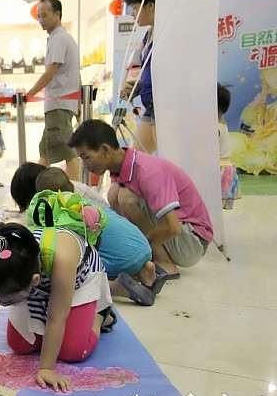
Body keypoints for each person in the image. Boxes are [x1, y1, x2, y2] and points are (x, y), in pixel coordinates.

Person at [0, 222, 113, 395]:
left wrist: (46, 368)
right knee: (20, 345)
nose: (0, 304)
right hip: (31, 281)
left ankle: (100, 315)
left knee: (72, 351)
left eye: (7, 302)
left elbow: (56, 318)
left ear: (34, 282)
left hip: (76, 280)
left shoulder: (62, 259)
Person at [68, 119, 214, 280]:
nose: (84, 165)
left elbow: (173, 227)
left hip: (193, 241)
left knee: (127, 199)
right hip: (179, 237)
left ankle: (164, 262)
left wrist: (139, 248)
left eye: (86, 157)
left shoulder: (147, 171)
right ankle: (149, 256)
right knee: (114, 193)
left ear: (105, 150)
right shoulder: (120, 169)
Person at [34, 167, 166, 305]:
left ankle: (114, 287)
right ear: (72, 187)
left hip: (122, 262)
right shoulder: (92, 204)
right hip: (144, 249)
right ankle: (145, 270)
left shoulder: (66, 220)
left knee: (70, 270)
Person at [24, 0, 81, 180]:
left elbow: (49, 74)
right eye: (39, 16)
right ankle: (34, 187)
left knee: (67, 150)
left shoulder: (58, 39)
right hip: (62, 104)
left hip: (59, 104)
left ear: (57, 14)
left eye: (45, 15)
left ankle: (76, 190)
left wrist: (28, 96)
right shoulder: (63, 38)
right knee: (46, 150)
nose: (41, 20)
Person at [121, 0, 157, 154]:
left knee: (165, 158)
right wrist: (134, 88)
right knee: (137, 158)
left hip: (162, 104)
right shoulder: (148, 35)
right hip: (150, 103)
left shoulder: (165, 34)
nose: (132, 14)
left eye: (135, 8)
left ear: (150, 6)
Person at [217, 83, 240, 209]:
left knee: (213, 203)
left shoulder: (215, 128)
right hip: (227, 167)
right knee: (218, 205)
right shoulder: (222, 123)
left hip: (219, 169)